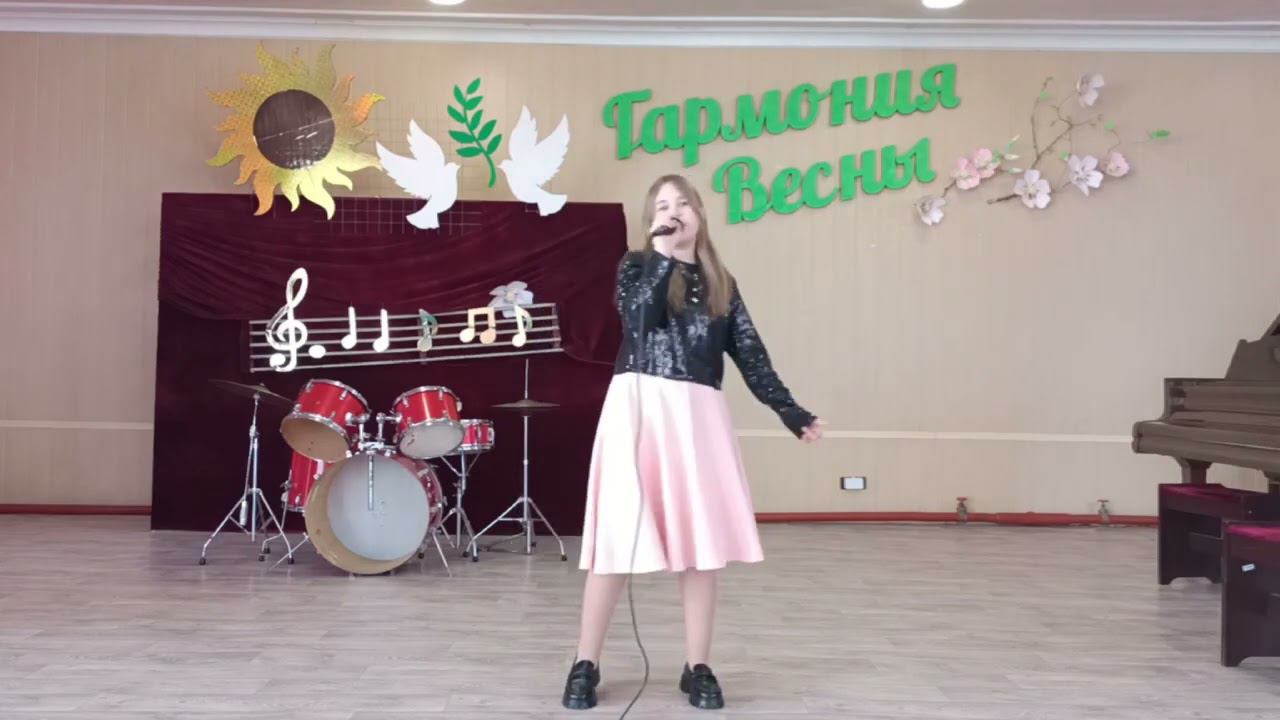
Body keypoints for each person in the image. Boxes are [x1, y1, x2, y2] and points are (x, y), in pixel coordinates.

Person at [562, 174, 825, 711]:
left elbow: (751, 354)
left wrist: (789, 411)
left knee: (701, 547)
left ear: (700, 214)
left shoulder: (722, 281)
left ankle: (698, 665)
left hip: (697, 416)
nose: (674, 211)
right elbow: (639, 321)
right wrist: (662, 255)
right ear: (651, 221)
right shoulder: (636, 266)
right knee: (616, 536)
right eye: (662, 205)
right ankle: (585, 662)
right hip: (638, 409)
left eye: (683, 203)